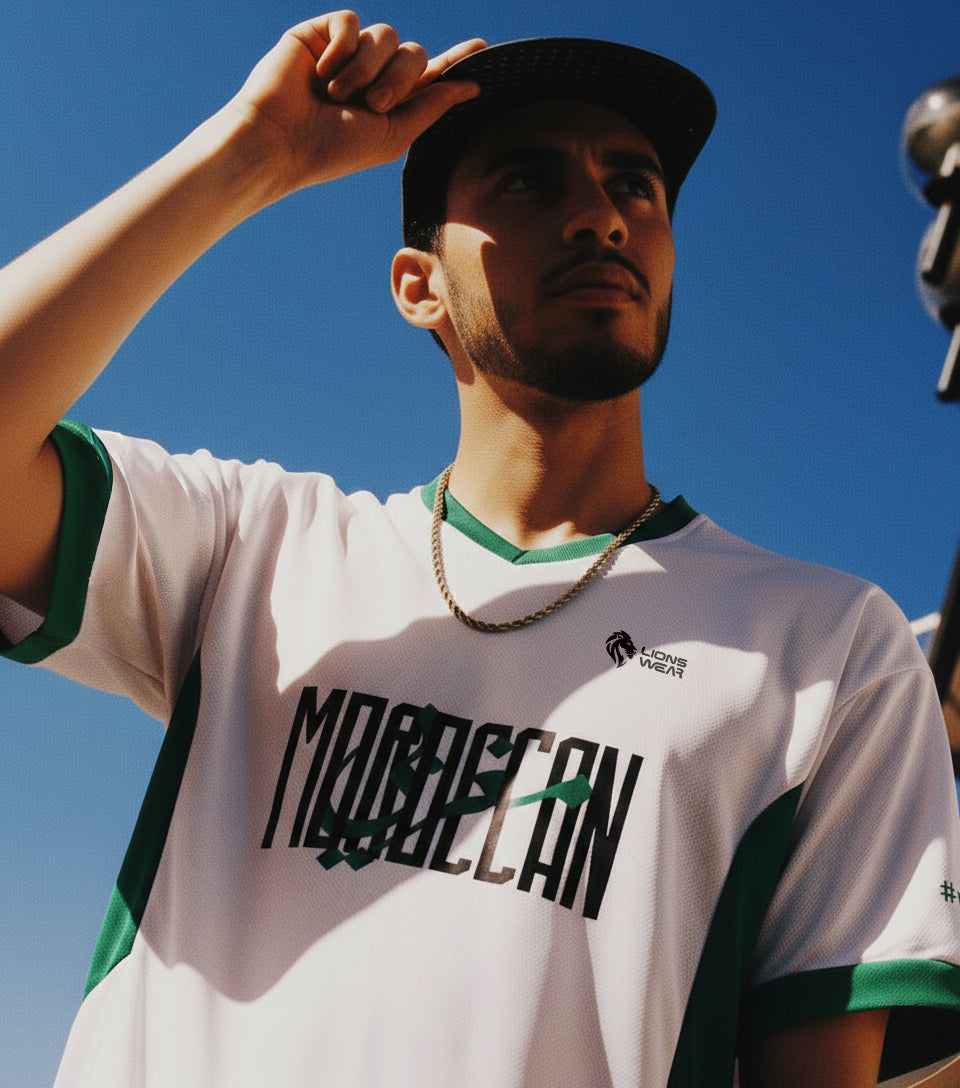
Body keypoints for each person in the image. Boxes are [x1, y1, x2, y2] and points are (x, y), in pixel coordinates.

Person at [0, 12, 958, 1087]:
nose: (600, 214)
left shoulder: (827, 647)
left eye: (635, 185)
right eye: (527, 183)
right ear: (420, 286)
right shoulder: (253, 548)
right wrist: (250, 156)